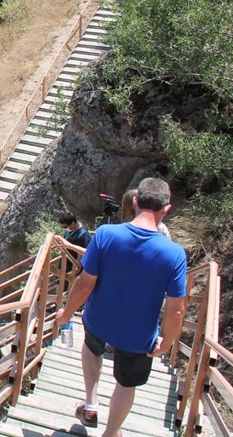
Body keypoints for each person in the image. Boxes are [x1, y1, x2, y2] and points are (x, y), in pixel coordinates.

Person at [55, 177, 187, 437]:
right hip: (138, 334)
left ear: (135, 202)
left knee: (91, 350)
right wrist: (168, 342)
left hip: (98, 319)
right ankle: (111, 432)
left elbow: (84, 284)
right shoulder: (174, 254)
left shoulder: (105, 235)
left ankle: (91, 402)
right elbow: (176, 310)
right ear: (167, 209)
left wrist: (66, 314)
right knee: (126, 384)